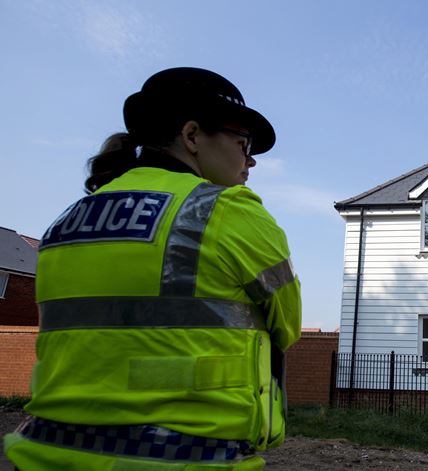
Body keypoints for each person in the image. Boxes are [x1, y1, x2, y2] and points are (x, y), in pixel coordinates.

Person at [3, 67, 302, 470]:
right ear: (193, 135)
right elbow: (287, 326)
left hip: (44, 452)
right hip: (187, 457)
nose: (250, 160)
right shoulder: (229, 209)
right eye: (242, 142)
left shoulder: (66, 221)